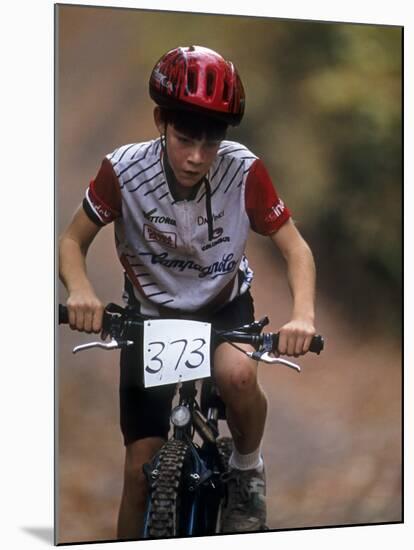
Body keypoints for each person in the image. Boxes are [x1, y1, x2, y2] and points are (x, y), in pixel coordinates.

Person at [59, 45, 316, 538]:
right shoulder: (123, 171)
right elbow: (72, 241)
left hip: (223, 305)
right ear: (160, 121)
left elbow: (296, 249)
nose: (197, 157)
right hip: (150, 314)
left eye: (210, 143)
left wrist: (302, 315)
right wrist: (81, 291)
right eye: (183, 138)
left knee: (237, 374)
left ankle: (247, 470)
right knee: (139, 472)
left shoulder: (243, 171)